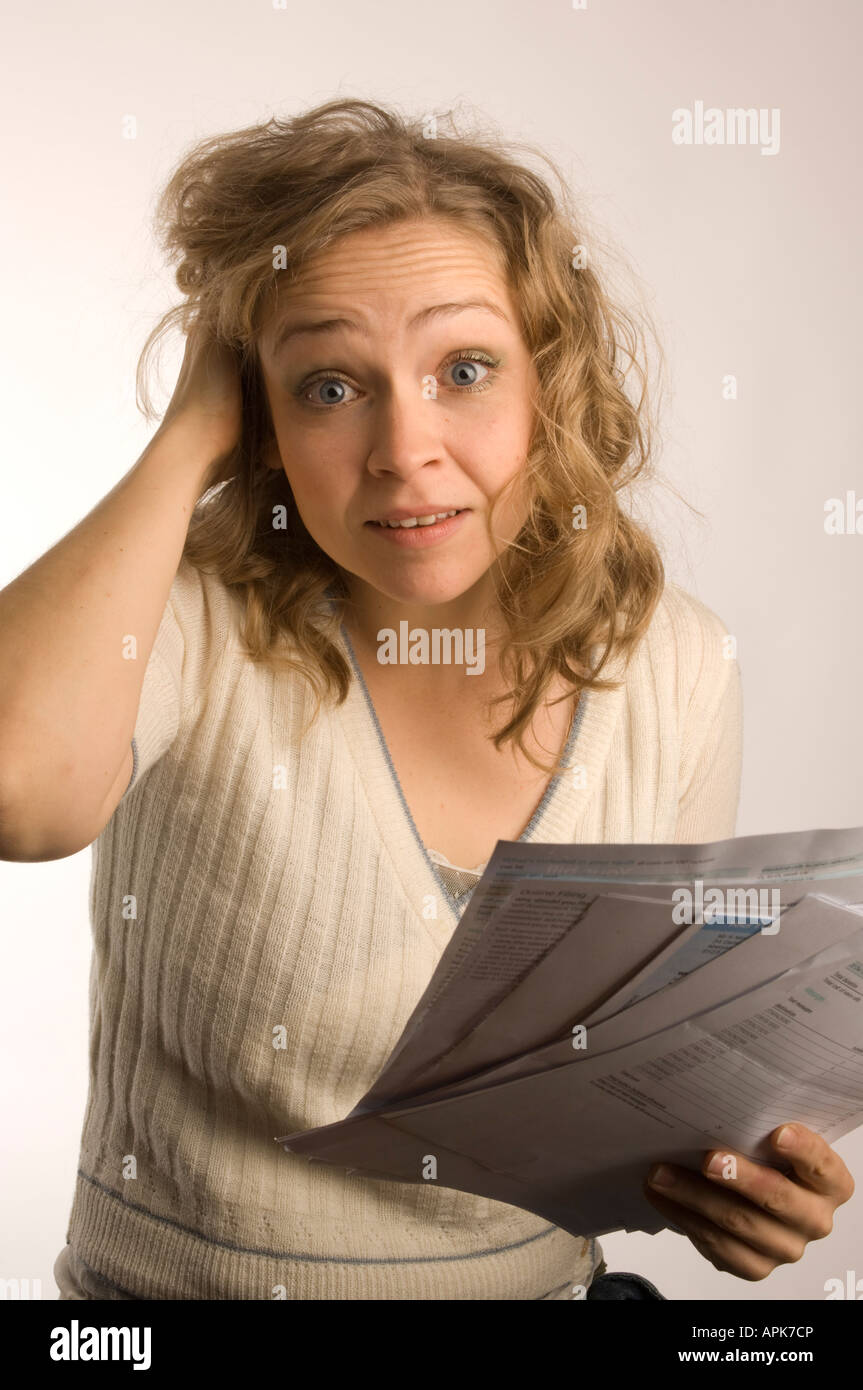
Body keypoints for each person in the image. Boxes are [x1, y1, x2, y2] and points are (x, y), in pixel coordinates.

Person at [0, 98, 853, 1301]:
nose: (405, 447)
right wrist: (191, 431)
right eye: (330, 386)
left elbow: (645, 1073)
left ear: (547, 380)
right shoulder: (187, 618)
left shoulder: (674, 665)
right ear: (261, 414)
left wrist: (737, 1182)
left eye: (463, 369)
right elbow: (17, 794)